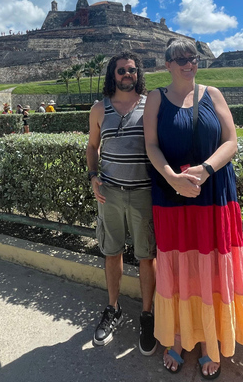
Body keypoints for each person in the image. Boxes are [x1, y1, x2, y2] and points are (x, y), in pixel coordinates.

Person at [144, 38, 243, 378]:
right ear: (166, 64)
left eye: (192, 57)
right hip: (171, 196)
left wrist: (204, 169)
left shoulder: (213, 94)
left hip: (213, 194)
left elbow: (231, 141)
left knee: (211, 265)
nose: (187, 63)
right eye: (179, 58)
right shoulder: (156, 98)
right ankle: (180, 336)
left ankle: (212, 338)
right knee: (179, 267)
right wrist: (171, 178)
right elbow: (151, 144)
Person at [86, 51, 157, 355]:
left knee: (146, 256)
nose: (127, 74)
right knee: (111, 252)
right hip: (110, 193)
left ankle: (147, 315)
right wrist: (92, 175)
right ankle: (112, 308)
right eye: (121, 71)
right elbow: (92, 145)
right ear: (112, 75)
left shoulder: (151, 105)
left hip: (144, 192)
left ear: (138, 73)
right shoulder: (99, 109)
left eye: (131, 70)